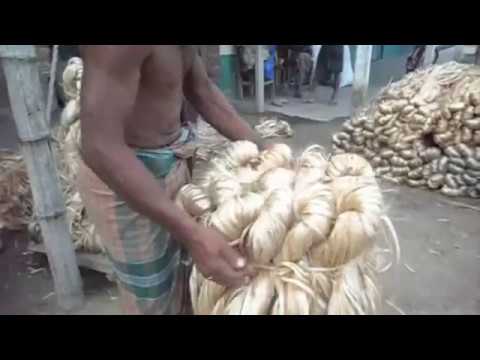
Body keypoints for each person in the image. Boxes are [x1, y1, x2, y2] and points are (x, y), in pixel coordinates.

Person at [77, 45, 269, 315]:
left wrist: (266, 150)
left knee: (184, 282)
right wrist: (193, 234)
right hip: (124, 178)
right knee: (152, 303)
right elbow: (99, 146)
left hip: (173, 158)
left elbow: (202, 90)